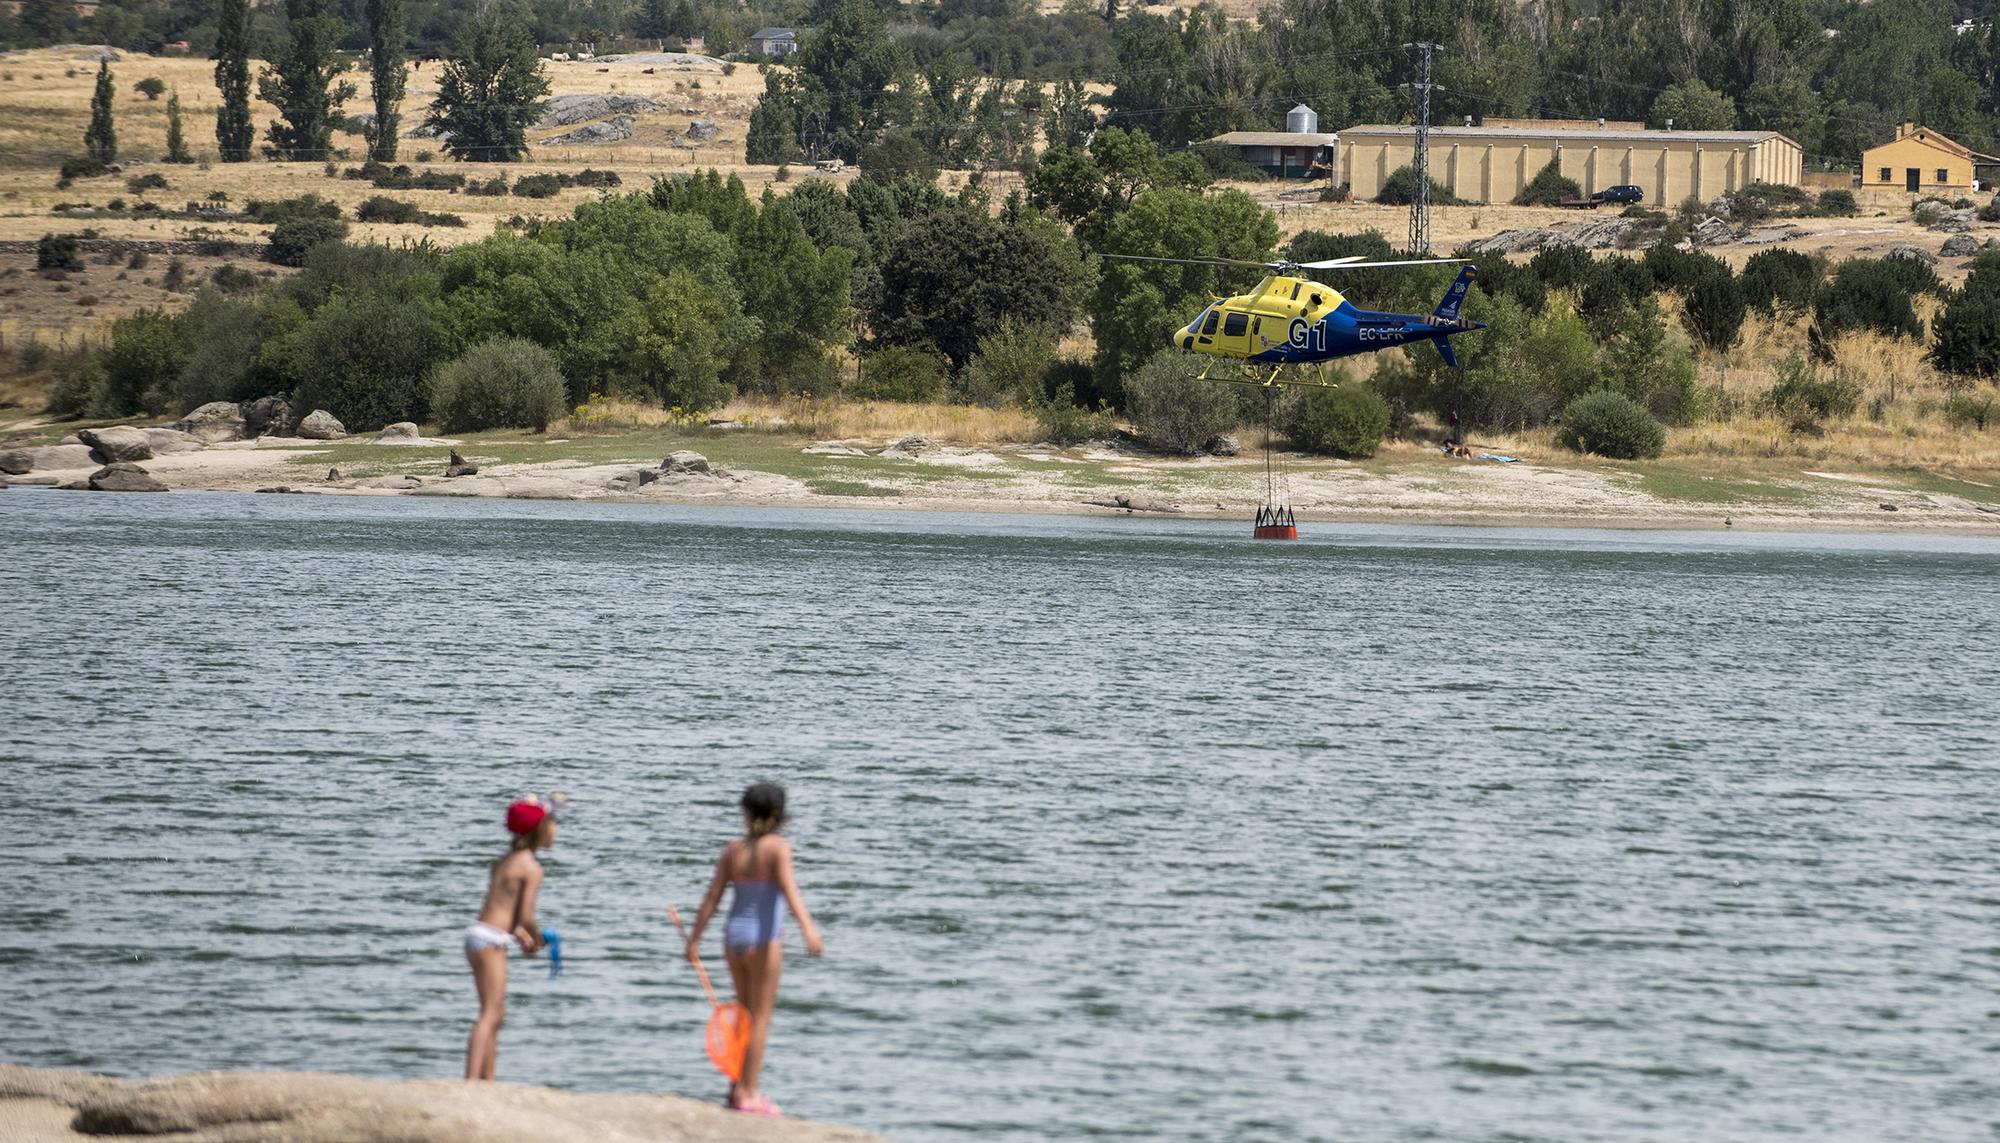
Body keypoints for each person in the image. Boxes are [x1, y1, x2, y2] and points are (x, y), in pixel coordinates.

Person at [684, 782, 824, 1116]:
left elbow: (712, 898)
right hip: (764, 939)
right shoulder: (777, 848)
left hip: (733, 937)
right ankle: (748, 1092)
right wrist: (808, 929)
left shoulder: (733, 850)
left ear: (745, 813)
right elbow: (789, 891)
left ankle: (735, 1086)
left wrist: (694, 939)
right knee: (760, 1017)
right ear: (780, 815)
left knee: (742, 1015)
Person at [463, 794, 559, 1081]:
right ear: (539, 831)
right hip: (491, 940)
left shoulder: (505, 861)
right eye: (552, 824)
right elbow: (527, 917)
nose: (555, 830)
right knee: (491, 1014)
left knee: (494, 1012)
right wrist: (540, 940)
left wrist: (521, 938)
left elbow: (507, 914)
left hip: (478, 935)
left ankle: (486, 1081)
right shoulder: (531, 867)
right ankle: (470, 1082)